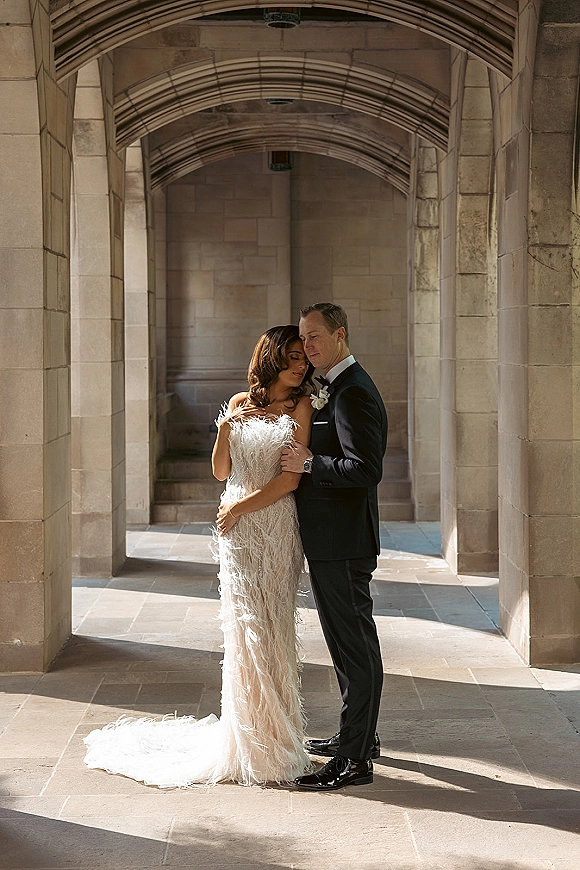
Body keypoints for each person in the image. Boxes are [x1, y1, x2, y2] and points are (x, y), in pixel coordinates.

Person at [83, 325, 315, 787]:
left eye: (303, 357)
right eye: (291, 356)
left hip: (273, 522)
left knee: (271, 625)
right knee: (243, 627)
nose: (300, 364)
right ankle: (246, 736)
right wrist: (225, 431)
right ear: (270, 357)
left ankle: (277, 736)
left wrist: (238, 507)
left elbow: (291, 480)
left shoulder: (303, 405)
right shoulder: (237, 404)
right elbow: (220, 470)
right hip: (238, 531)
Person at [281, 303, 387, 791]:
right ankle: (359, 736)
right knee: (346, 648)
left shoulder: (352, 393)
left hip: (344, 543)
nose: (308, 346)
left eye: (316, 336)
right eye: (304, 338)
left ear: (340, 335)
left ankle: (355, 760)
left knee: (355, 647)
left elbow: (365, 470)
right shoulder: (332, 387)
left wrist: (309, 464)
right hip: (330, 541)